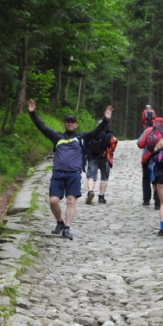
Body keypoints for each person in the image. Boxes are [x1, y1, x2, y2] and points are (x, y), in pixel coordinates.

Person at [28, 99, 111, 240]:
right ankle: (60, 222)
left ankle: (67, 228)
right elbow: (42, 127)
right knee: (53, 201)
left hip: (74, 174)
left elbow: (96, 131)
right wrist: (32, 113)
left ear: (76, 124)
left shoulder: (82, 137)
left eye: (73, 122)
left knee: (71, 200)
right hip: (58, 174)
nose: (70, 123)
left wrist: (105, 120)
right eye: (68, 121)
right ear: (64, 124)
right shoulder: (57, 136)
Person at [137, 117, 163, 208]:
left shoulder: (148, 130)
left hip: (147, 157)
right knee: (157, 179)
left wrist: (147, 146)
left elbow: (139, 143)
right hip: (160, 158)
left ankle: (146, 200)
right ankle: (157, 203)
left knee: (146, 178)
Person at [84, 127, 116, 205]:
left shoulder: (92, 134)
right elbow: (114, 142)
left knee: (91, 177)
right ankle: (101, 196)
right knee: (104, 178)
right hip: (104, 158)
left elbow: (86, 144)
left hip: (92, 157)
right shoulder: (109, 135)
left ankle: (90, 191)